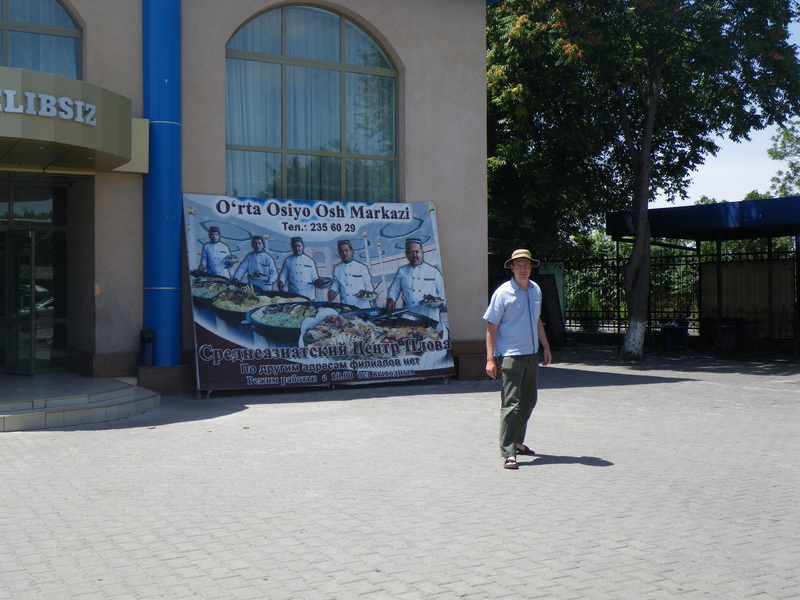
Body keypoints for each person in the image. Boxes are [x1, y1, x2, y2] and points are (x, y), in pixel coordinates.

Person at [483, 249, 552, 470]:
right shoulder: (503, 293)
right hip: (511, 355)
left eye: (526, 265)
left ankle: (518, 442)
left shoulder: (535, 290)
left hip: (531, 354)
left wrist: (546, 346)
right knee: (510, 404)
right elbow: (491, 326)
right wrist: (490, 359)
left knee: (529, 401)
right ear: (512, 268)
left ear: (531, 268)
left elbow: (536, 319)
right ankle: (509, 452)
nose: (523, 269)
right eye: (519, 265)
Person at [386, 238, 446, 321]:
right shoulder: (402, 271)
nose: (415, 256)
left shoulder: (434, 272)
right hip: (409, 316)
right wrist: (391, 298)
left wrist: (438, 303)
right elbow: (394, 288)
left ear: (422, 252)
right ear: (406, 254)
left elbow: (443, 294)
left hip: (430, 317)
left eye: (417, 251)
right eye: (411, 252)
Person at [328, 240, 374, 308]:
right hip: (346, 304)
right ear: (339, 253)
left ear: (351, 251)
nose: (344, 253)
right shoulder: (337, 269)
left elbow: (368, 285)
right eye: (341, 251)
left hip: (362, 305)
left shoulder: (362, 267)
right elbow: (336, 283)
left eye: (346, 250)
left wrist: (367, 295)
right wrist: (332, 290)